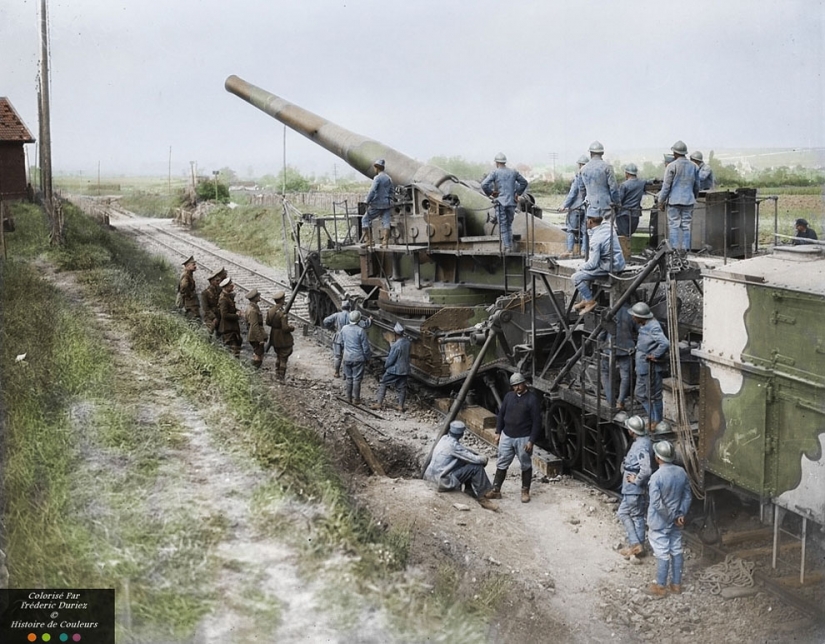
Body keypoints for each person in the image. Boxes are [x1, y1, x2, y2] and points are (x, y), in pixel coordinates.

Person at [646, 440, 692, 596]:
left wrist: (671, 516)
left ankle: (660, 586)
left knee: (662, 552)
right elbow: (687, 496)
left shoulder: (656, 477)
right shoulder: (681, 472)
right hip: (677, 522)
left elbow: (657, 504)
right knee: (676, 549)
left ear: (658, 458)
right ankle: (676, 584)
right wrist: (680, 514)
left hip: (660, 522)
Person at [489, 373, 542, 503]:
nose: (517, 388)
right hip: (507, 436)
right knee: (502, 462)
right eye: (514, 386)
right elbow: (501, 415)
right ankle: (496, 490)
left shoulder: (532, 400)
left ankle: (525, 491)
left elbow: (537, 422)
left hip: (523, 438)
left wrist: (531, 441)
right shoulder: (509, 397)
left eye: (519, 384)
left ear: (524, 383)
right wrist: (498, 432)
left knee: (525, 464)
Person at [424, 421, 496, 509]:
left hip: (430, 476)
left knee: (464, 462)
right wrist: (484, 459)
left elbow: (462, 450)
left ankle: (469, 490)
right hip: (442, 481)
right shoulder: (454, 446)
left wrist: (471, 452)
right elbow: (474, 459)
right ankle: (483, 498)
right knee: (476, 467)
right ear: (461, 434)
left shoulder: (444, 438)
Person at [571, 214, 626, 316]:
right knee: (584, 272)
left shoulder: (596, 240)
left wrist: (580, 267)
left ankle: (590, 301)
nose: (585, 222)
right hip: (618, 262)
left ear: (590, 222)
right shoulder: (607, 226)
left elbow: (593, 264)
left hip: (609, 267)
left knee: (576, 277)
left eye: (586, 220)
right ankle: (585, 299)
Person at [630, 302, 670, 429]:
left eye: (635, 316)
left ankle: (657, 421)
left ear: (642, 317)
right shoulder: (644, 325)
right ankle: (652, 417)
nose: (633, 318)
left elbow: (664, 343)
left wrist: (655, 355)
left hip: (650, 368)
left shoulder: (653, 326)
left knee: (654, 395)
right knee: (640, 394)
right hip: (642, 367)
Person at [618, 415, 653, 558]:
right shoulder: (644, 441)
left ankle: (637, 546)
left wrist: (636, 480)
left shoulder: (640, 446)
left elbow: (646, 470)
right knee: (623, 513)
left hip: (634, 489)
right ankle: (637, 544)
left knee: (637, 516)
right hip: (631, 488)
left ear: (632, 431)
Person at [481, 153, 529, 253]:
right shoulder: (513, 172)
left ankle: (507, 247)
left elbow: (484, 184)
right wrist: (517, 193)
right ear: (504, 162)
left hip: (500, 203)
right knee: (509, 225)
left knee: (503, 225)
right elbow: (524, 182)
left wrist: (491, 193)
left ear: (497, 163)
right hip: (512, 203)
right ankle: (510, 245)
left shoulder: (495, 173)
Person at [659, 140, 699, 252]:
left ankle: (674, 251)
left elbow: (666, 186)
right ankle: (685, 251)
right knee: (686, 226)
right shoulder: (694, 166)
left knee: (674, 226)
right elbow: (697, 186)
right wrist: (693, 197)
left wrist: (660, 201)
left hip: (674, 202)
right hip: (689, 201)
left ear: (675, 153)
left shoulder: (671, 166)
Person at [600, 302, 636, 410]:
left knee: (605, 373)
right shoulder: (631, 311)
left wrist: (601, 343)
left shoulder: (609, 310)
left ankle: (611, 401)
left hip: (609, 347)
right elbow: (639, 328)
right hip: (626, 348)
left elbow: (602, 331)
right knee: (625, 376)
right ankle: (620, 401)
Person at [323, 301, 371, 378]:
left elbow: (325, 321)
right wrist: (369, 319)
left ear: (342, 308)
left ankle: (337, 372)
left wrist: (331, 328)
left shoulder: (336, 315)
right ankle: (346, 374)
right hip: (348, 337)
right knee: (347, 355)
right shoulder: (351, 316)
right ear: (349, 308)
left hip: (338, 337)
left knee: (337, 356)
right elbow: (365, 324)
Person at [371, 322, 411, 412]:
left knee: (384, 382)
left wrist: (386, 366)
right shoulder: (407, 342)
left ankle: (379, 403)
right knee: (402, 387)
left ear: (395, 334)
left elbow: (391, 359)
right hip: (405, 369)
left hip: (395, 370)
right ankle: (400, 406)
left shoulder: (396, 345)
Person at [577, 141, 620, 220]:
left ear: (590, 153)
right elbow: (613, 189)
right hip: (606, 206)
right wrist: (617, 204)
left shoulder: (583, 169)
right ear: (602, 153)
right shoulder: (607, 167)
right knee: (607, 229)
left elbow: (582, 190)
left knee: (592, 230)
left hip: (590, 206)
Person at [557, 154, 589, 258]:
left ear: (580, 165)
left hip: (576, 207)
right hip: (587, 207)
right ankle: (584, 251)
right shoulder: (590, 177)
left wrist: (564, 205)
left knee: (570, 229)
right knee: (585, 231)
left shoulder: (579, 177)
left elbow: (573, 193)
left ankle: (570, 251)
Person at [339, 310, 372, 404]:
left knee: (349, 379)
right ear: (359, 320)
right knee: (357, 379)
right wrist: (368, 358)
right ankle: (356, 399)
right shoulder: (361, 331)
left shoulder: (344, 329)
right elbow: (365, 347)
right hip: (358, 358)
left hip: (347, 357)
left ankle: (348, 398)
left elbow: (341, 342)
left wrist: (344, 351)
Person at [615, 164, 647, 259]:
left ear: (627, 173)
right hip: (635, 214)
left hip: (623, 214)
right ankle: (627, 254)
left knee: (623, 236)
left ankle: (624, 256)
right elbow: (649, 182)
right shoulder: (641, 183)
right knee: (629, 234)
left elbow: (619, 200)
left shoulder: (624, 185)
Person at [361, 159, 394, 248]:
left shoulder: (377, 178)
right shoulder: (388, 178)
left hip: (377, 204)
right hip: (387, 204)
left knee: (365, 219)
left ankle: (369, 241)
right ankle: (385, 243)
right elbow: (392, 191)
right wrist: (389, 200)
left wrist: (367, 201)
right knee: (386, 222)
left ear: (376, 168)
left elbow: (372, 191)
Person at [265, 290, 295, 381]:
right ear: (282, 300)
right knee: (283, 358)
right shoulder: (282, 313)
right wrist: (291, 328)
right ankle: (281, 377)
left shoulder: (270, 310)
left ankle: (277, 374)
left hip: (274, 336)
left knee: (278, 355)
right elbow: (285, 328)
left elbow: (267, 322)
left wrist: (276, 326)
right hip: (283, 338)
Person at [218, 277, 241, 357]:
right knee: (232, 351)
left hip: (231, 328)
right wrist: (236, 316)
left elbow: (231, 309)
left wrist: (236, 310)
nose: (232, 286)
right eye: (231, 285)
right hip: (228, 329)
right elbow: (224, 315)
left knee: (235, 350)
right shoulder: (223, 299)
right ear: (226, 287)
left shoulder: (227, 297)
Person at [201, 267, 226, 337]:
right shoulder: (205, 293)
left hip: (219, 315)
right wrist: (214, 318)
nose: (219, 282)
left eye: (219, 281)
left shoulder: (219, 291)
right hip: (210, 317)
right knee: (208, 333)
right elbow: (206, 308)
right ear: (211, 281)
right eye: (217, 281)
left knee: (221, 333)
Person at [245, 289, 266, 369]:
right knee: (258, 355)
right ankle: (253, 371)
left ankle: (254, 370)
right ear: (254, 298)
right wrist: (260, 339)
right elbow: (254, 325)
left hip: (253, 335)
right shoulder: (253, 310)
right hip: (255, 336)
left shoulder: (250, 308)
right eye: (258, 296)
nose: (259, 297)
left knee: (259, 353)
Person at [178, 256, 200, 320]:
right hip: (189, 302)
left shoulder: (189, 274)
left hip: (189, 301)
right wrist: (190, 294)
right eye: (193, 265)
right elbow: (184, 287)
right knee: (194, 317)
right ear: (187, 266)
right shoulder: (186, 275)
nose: (195, 266)